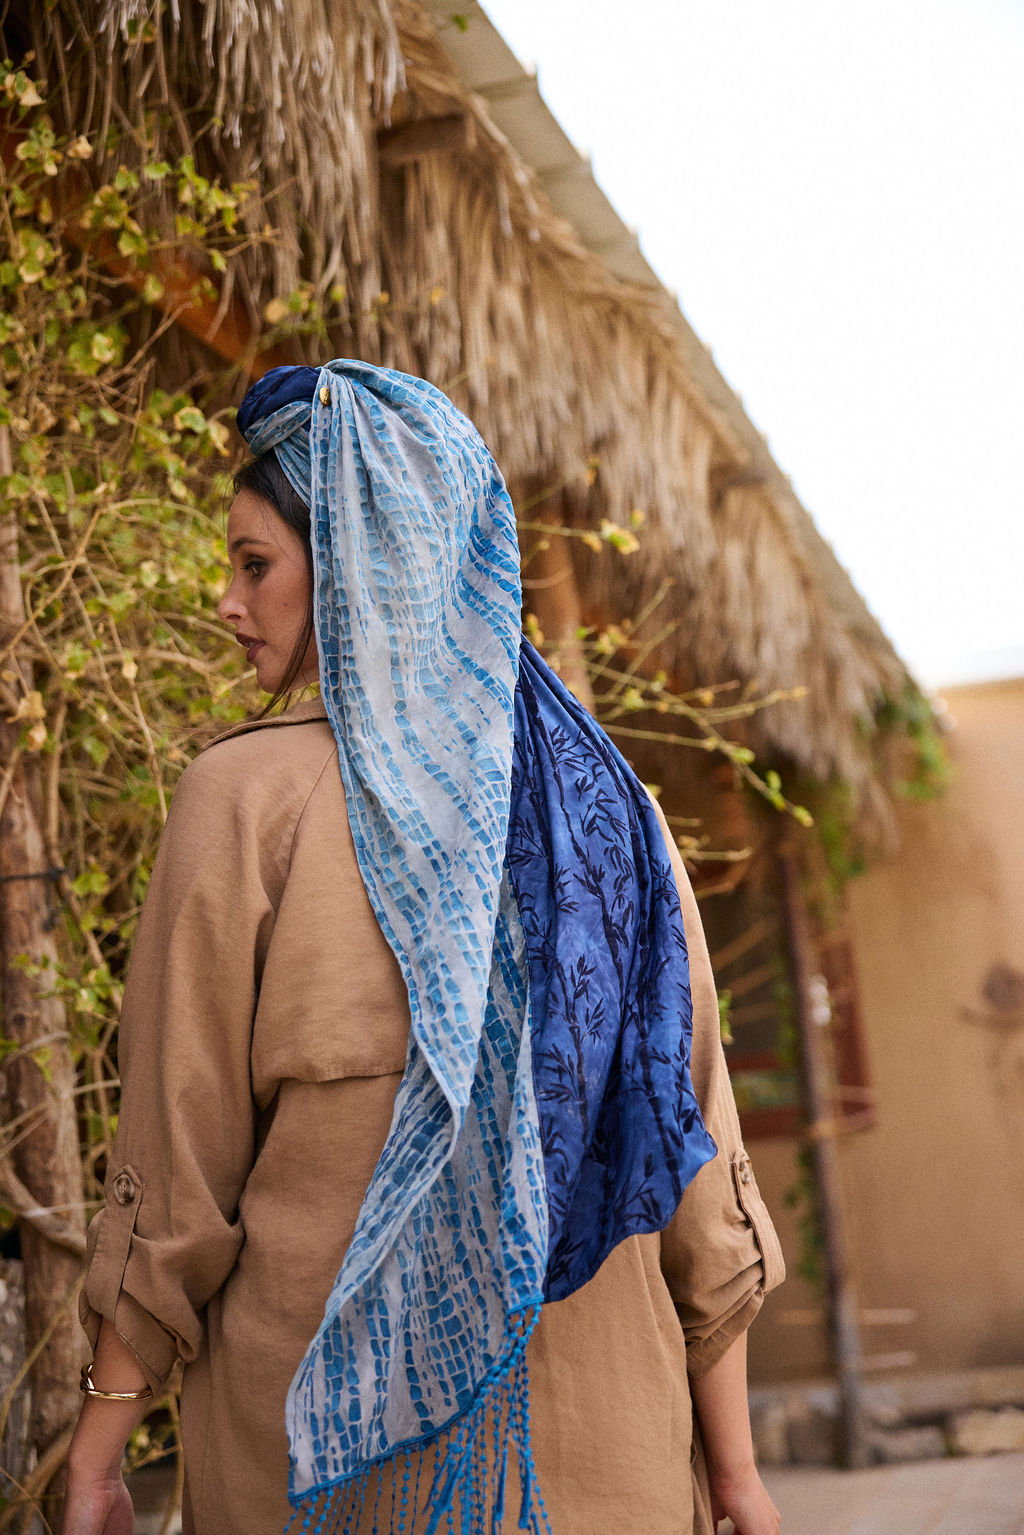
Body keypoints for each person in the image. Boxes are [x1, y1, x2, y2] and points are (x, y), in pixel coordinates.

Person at [62, 361, 784, 1535]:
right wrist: (737, 1473)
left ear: (359, 557)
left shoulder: (243, 800)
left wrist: (99, 1451)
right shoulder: (607, 808)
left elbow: (176, 1175)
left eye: (255, 564)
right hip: (616, 1469)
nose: (227, 603)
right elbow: (697, 1164)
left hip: (331, 1476)